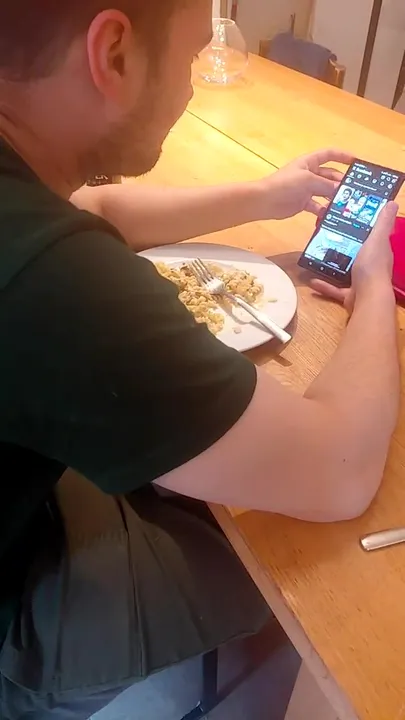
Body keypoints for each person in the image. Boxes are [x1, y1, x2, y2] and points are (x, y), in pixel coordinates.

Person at [0, 0, 400, 718]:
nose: (190, 87)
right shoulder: (51, 278)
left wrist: (266, 195)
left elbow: (99, 212)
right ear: (113, 53)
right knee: (280, 553)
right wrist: (372, 287)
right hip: (15, 616)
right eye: (189, 57)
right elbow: (339, 469)